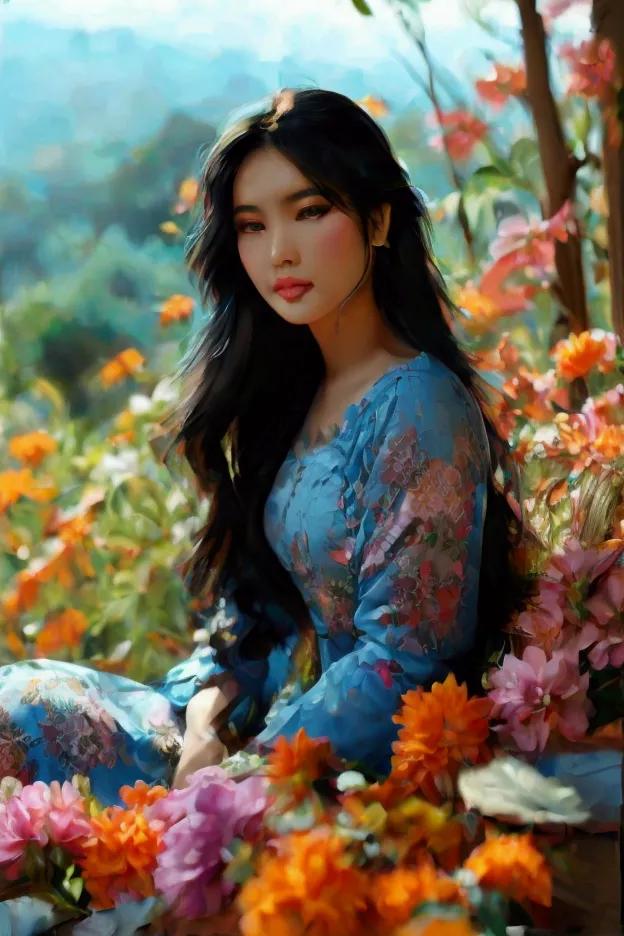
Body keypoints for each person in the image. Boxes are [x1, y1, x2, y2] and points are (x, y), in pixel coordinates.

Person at [0, 87, 531, 804]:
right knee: (21, 708)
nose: (279, 251)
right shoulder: (292, 390)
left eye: (310, 212)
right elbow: (253, 617)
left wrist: (228, 785)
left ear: (377, 221)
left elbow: (406, 664)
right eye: (252, 226)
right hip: (228, 733)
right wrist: (203, 730)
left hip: (329, 774)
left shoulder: (418, 403)